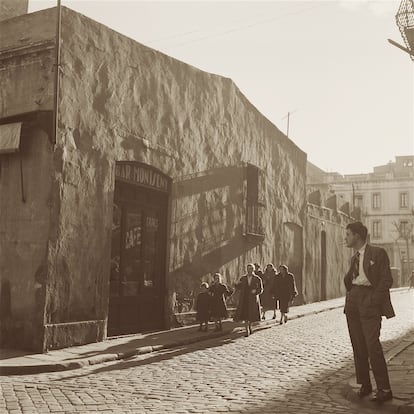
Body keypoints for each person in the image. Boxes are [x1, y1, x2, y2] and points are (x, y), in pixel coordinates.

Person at [344, 221, 395, 403]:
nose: (346, 238)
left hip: (369, 301)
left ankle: (384, 389)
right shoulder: (354, 257)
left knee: (372, 345)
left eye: (348, 234)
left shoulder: (378, 253)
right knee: (358, 346)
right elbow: (351, 279)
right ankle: (365, 385)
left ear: (357, 235)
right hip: (353, 302)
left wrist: (374, 300)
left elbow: (386, 279)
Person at [234, 263, 263, 336]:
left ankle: (250, 326)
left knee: (251, 314)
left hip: (252, 299)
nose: (249, 270)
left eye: (251, 269)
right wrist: (235, 285)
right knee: (245, 314)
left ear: (253, 269)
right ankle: (247, 329)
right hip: (244, 298)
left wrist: (255, 291)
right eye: (248, 269)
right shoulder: (243, 278)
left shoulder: (257, 279)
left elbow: (260, 289)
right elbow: (239, 287)